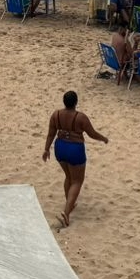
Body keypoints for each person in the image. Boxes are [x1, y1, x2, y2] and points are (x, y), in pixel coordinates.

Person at [42, 90, 108, 228]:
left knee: (68, 177)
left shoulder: (56, 114)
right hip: (75, 149)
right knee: (77, 181)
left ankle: (69, 203)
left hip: (60, 147)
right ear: (76, 102)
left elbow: (50, 134)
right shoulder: (80, 117)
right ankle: (66, 213)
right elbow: (92, 133)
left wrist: (46, 149)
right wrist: (103, 139)